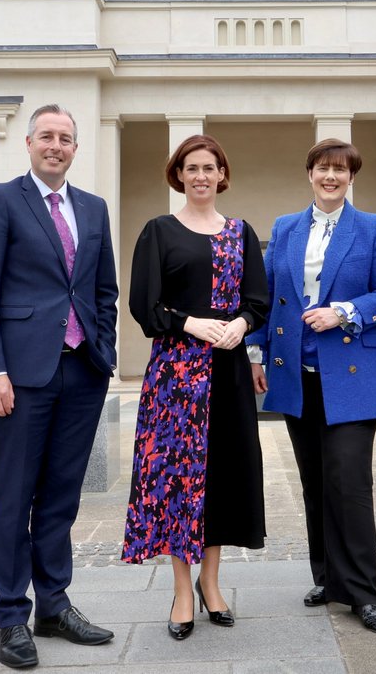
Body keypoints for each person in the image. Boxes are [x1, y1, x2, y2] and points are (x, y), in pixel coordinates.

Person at [0, 104, 119, 669]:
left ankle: (52, 604)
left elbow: (105, 291)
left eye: (66, 138)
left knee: (61, 495)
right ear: (28, 143)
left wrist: (104, 354)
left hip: (81, 373)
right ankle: (11, 615)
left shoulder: (94, 208)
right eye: (47, 136)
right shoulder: (2, 200)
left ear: (76, 149)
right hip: (20, 376)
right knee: (14, 495)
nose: (56, 145)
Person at [247, 139, 376, 634]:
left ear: (351, 177)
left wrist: (344, 312)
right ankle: (328, 577)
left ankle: (362, 592)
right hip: (297, 376)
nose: (331, 176)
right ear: (310, 174)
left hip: (353, 377)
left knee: (350, 484)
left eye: (340, 170)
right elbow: (268, 296)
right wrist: (255, 350)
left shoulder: (372, 227)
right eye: (323, 168)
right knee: (315, 483)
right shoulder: (285, 228)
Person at [122, 134, 269, 641]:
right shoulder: (159, 231)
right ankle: (182, 590)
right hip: (175, 377)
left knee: (220, 478)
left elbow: (257, 301)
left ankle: (212, 583)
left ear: (222, 175)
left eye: (210, 167)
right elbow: (144, 304)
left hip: (227, 374)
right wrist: (189, 324)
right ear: (178, 175)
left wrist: (241, 326)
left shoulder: (241, 232)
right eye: (192, 168)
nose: (202, 175)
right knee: (178, 480)